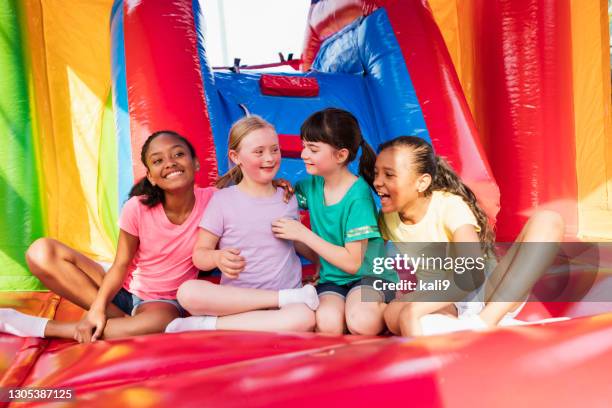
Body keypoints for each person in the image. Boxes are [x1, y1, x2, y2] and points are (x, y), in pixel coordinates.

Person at [0, 130, 215, 342]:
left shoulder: (216, 201)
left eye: (178, 154)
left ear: (195, 163)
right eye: (158, 161)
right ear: (150, 176)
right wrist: (97, 307)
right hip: (121, 288)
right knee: (40, 252)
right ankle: (120, 323)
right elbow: (121, 264)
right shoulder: (137, 207)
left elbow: (244, 186)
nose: (170, 163)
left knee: (161, 324)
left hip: (161, 303)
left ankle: (49, 328)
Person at [375, 136, 565, 336]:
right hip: (444, 302)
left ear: (421, 183)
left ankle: (485, 322)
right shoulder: (388, 218)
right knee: (392, 313)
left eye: (389, 175)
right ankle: (455, 325)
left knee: (548, 219)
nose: (378, 182)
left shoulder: (450, 207)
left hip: (487, 294)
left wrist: (416, 310)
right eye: (376, 173)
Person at [165, 115, 317, 334]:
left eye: (275, 150)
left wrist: (319, 261)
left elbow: (295, 241)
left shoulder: (286, 196)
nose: (270, 158)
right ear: (236, 157)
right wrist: (217, 257)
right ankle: (266, 309)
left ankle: (208, 325)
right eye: (259, 151)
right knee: (187, 292)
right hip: (237, 303)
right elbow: (200, 255)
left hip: (285, 303)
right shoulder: (222, 200)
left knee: (304, 318)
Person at [271, 108, 399, 335]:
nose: (303, 154)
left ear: (340, 155)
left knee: (362, 322)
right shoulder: (309, 187)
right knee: (327, 323)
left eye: (313, 149)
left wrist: (303, 233)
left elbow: (353, 264)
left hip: (369, 277)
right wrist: (276, 187)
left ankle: (393, 304)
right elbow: (280, 206)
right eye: (303, 146)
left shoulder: (358, 196)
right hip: (333, 279)